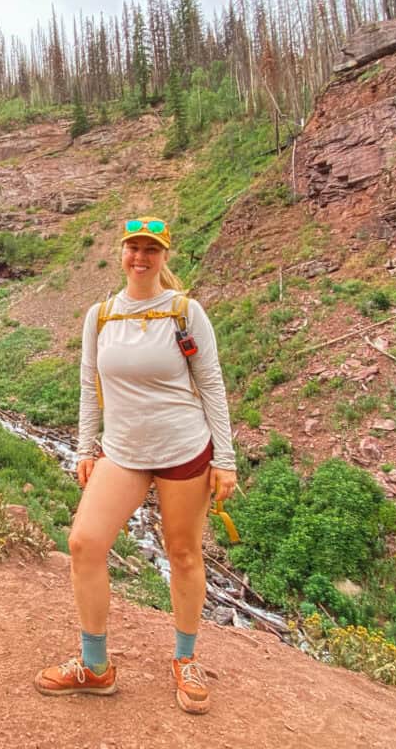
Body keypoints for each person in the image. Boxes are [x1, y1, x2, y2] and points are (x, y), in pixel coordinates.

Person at [34, 217, 237, 715]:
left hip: (183, 449)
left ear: (164, 256)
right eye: (133, 248)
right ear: (121, 253)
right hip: (122, 451)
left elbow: (211, 383)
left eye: (151, 249)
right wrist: (85, 449)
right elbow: (89, 385)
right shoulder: (100, 316)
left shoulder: (185, 312)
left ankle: (186, 659)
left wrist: (225, 459)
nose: (141, 257)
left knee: (183, 553)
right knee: (84, 542)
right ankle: (95, 666)